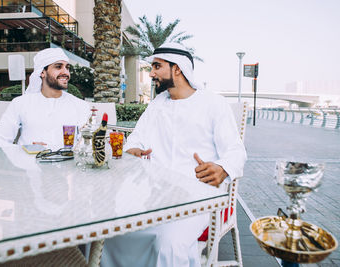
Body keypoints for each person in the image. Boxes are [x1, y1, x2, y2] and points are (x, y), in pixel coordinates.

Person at [101, 43, 247, 267]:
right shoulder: (157, 104)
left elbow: (236, 151)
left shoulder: (213, 103)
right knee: (112, 232)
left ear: (177, 69)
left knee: (169, 243)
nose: (151, 73)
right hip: (153, 192)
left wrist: (223, 168)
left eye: (157, 66)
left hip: (197, 194)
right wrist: (135, 150)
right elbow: (136, 140)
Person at [0, 48, 90, 149]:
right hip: (28, 164)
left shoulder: (80, 106)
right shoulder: (21, 103)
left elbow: (89, 144)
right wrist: (25, 149)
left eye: (67, 67)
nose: (66, 72)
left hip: (67, 164)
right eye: (58, 67)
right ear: (42, 72)